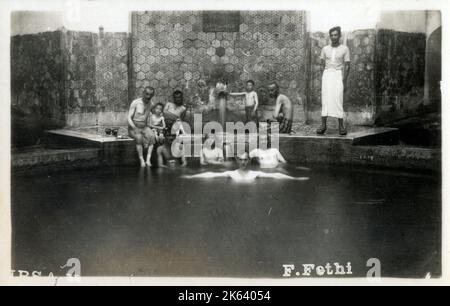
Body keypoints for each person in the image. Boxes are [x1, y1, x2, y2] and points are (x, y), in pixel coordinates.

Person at [183, 152, 308, 183]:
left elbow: (275, 175)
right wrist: (191, 176)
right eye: (240, 159)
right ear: (237, 161)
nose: (243, 162)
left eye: (245, 160)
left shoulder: (254, 174)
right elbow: (210, 175)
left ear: (248, 161)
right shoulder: (231, 173)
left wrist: (295, 179)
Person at [316, 26, 350, 136]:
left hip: (338, 74)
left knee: (338, 99)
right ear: (329, 36)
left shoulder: (345, 48)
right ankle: (323, 125)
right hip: (327, 75)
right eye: (331, 35)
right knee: (325, 99)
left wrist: (344, 81)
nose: (333, 37)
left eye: (336, 35)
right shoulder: (325, 49)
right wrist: (323, 78)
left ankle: (341, 126)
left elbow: (348, 66)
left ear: (339, 36)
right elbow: (321, 65)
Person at [127, 87, 157, 167]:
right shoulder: (135, 102)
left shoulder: (151, 104)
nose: (148, 96)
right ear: (143, 93)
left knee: (152, 136)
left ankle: (148, 160)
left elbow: (154, 116)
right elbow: (129, 118)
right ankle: (142, 160)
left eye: (150, 95)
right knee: (139, 137)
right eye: (147, 94)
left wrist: (153, 127)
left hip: (144, 127)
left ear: (152, 95)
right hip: (133, 126)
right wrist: (134, 128)